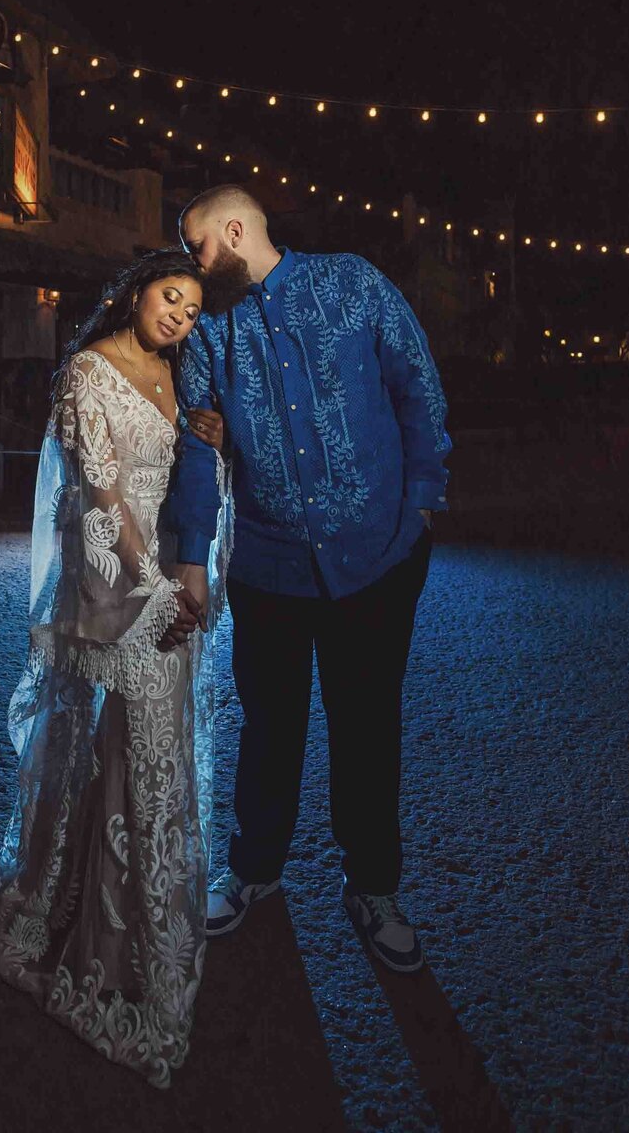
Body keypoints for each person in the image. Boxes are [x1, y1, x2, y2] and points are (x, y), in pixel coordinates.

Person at [165, 186, 451, 975]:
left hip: (378, 556)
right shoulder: (210, 329)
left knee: (367, 725)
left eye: (196, 245)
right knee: (270, 725)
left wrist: (423, 504)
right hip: (269, 565)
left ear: (232, 230)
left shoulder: (353, 284)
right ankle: (255, 870)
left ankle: (374, 889)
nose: (192, 262)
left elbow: (417, 386)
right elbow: (195, 441)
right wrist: (193, 555)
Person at [0, 250, 231, 1090]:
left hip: (173, 591)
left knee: (146, 762)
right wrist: (154, 591)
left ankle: (142, 925)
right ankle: (117, 955)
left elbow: (178, 483)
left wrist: (212, 446)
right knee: (134, 759)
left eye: (194, 309)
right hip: (122, 594)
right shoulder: (87, 374)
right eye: (172, 298)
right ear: (136, 294)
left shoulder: (176, 377)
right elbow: (98, 495)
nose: (180, 317)